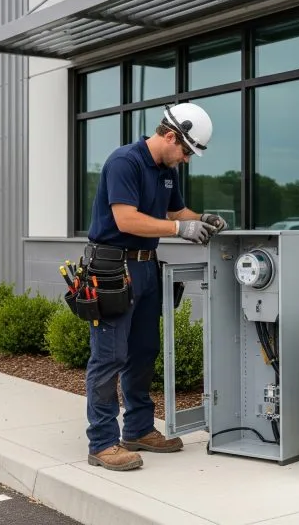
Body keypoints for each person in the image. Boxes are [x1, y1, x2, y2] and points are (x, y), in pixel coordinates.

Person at [83, 103, 227, 471]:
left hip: (147, 268)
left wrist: (202, 218)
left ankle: (138, 429)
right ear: (170, 136)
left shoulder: (167, 171)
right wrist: (180, 229)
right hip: (113, 267)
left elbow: (176, 213)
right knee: (109, 356)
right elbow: (126, 219)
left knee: (143, 352)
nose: (186, 160)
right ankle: (102, 442)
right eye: (186, 151)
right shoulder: (124, 162)